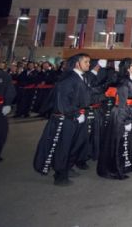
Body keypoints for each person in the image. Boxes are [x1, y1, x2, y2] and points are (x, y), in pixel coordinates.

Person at [33, 53, 89, 186]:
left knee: (75, 145)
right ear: (77, 63)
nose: (88, 64)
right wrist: (75, 114)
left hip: (76, 117)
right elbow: (63, 103)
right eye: (86, 62)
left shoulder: (80, 78)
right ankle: (60, 175)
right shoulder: (69, 79)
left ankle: (67, 167)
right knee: (63, 147)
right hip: (66, 119)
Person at [96, 58, 132, 180]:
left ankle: (124, 165)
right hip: (122, 113)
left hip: (129, 111)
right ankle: (116, 169)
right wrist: (127, 120)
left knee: (127, 140)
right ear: (128, 68)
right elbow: (123, 103)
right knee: (119, 141)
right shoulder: (124, 82)